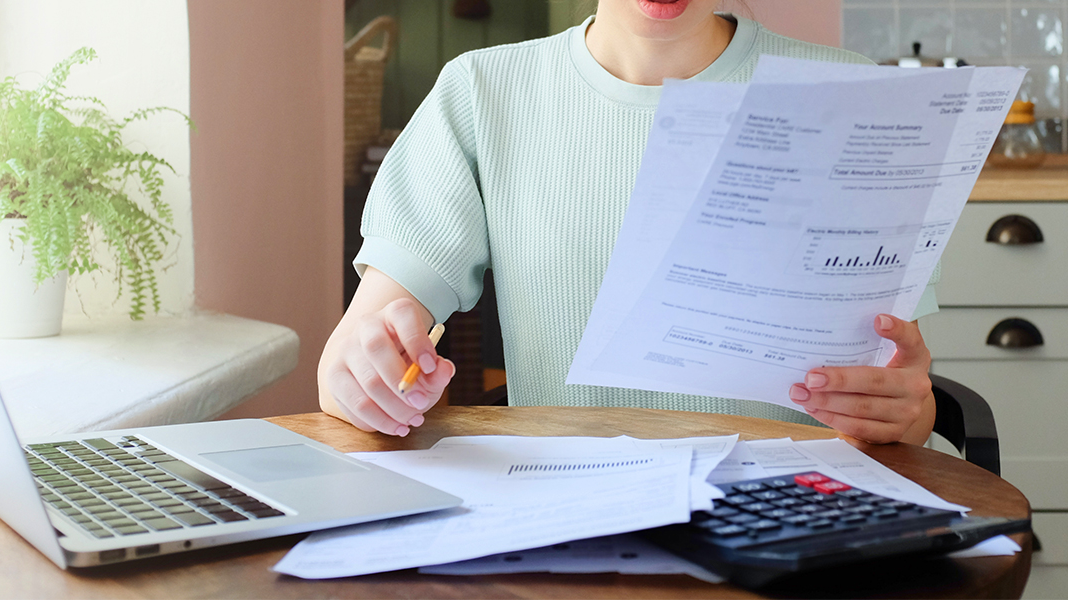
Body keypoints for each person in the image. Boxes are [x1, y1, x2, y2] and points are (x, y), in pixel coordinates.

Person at [319, 0, 937, 446]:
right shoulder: (482, 91)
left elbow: (902, 391)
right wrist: (364, 374)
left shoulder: (852, 91)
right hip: (576, 506)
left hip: (795, 509)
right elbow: (351, 359)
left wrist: (909, 413)